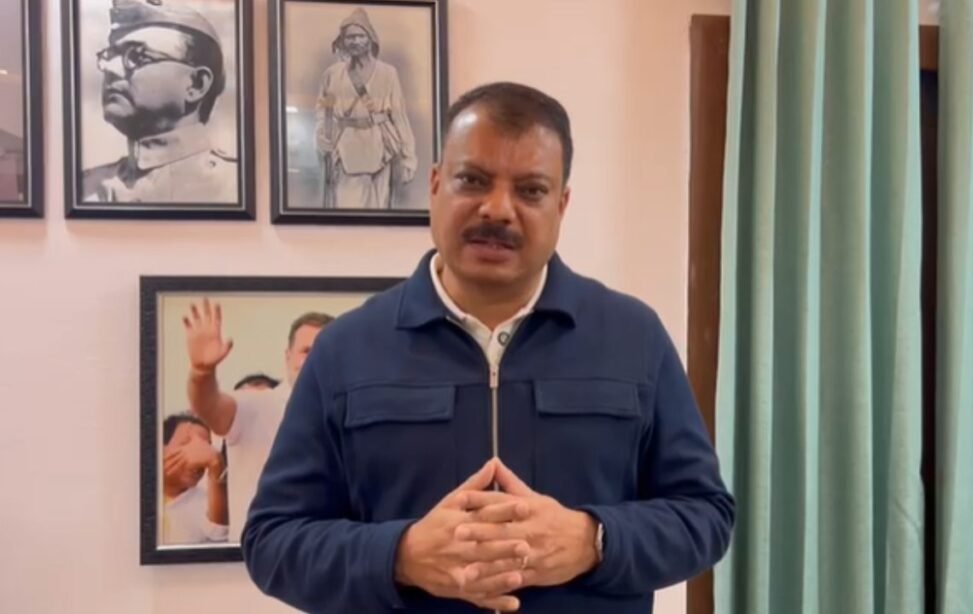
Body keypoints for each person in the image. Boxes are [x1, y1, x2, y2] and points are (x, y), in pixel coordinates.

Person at [242, 82, 735, 613]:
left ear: (562, 205)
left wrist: (593, 540)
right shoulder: (346, 348)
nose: (498, 209)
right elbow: (273, 542)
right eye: (473, 180)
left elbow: (705, 516)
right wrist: (400, 555)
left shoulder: (633, 337)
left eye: (531, 190)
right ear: (435, 185)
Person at [183, 305, 334, 542]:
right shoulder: (256, 405)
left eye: (324, 351)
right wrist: (201, 373)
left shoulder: (350, 414)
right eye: (306, 350)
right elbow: (209, 405)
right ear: (288, 356)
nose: (314, 359)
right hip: (255, 559)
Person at [82, 0, 236, 203]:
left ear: (196, 84)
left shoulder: (235, 184)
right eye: (109, 56)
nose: (110, 68)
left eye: (137, 57)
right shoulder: (85, 188)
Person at [314, 7, 417, 210]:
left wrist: (409, 157)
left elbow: (399, 116)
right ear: (343, 41)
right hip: (346, 151)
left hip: (381, 149)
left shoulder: (388, 74)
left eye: (360, 36)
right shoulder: (332, 75)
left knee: (379, 213)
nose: (355, 41)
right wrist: (320, 134)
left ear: (370, 38)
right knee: (347, 212)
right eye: (349, 37)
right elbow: (323, 109)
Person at [162, 412, 227, 545]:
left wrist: (216, 464)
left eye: (205, 448)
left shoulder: (205, 502)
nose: (199, 458)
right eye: (187, 444)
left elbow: (220, 532)